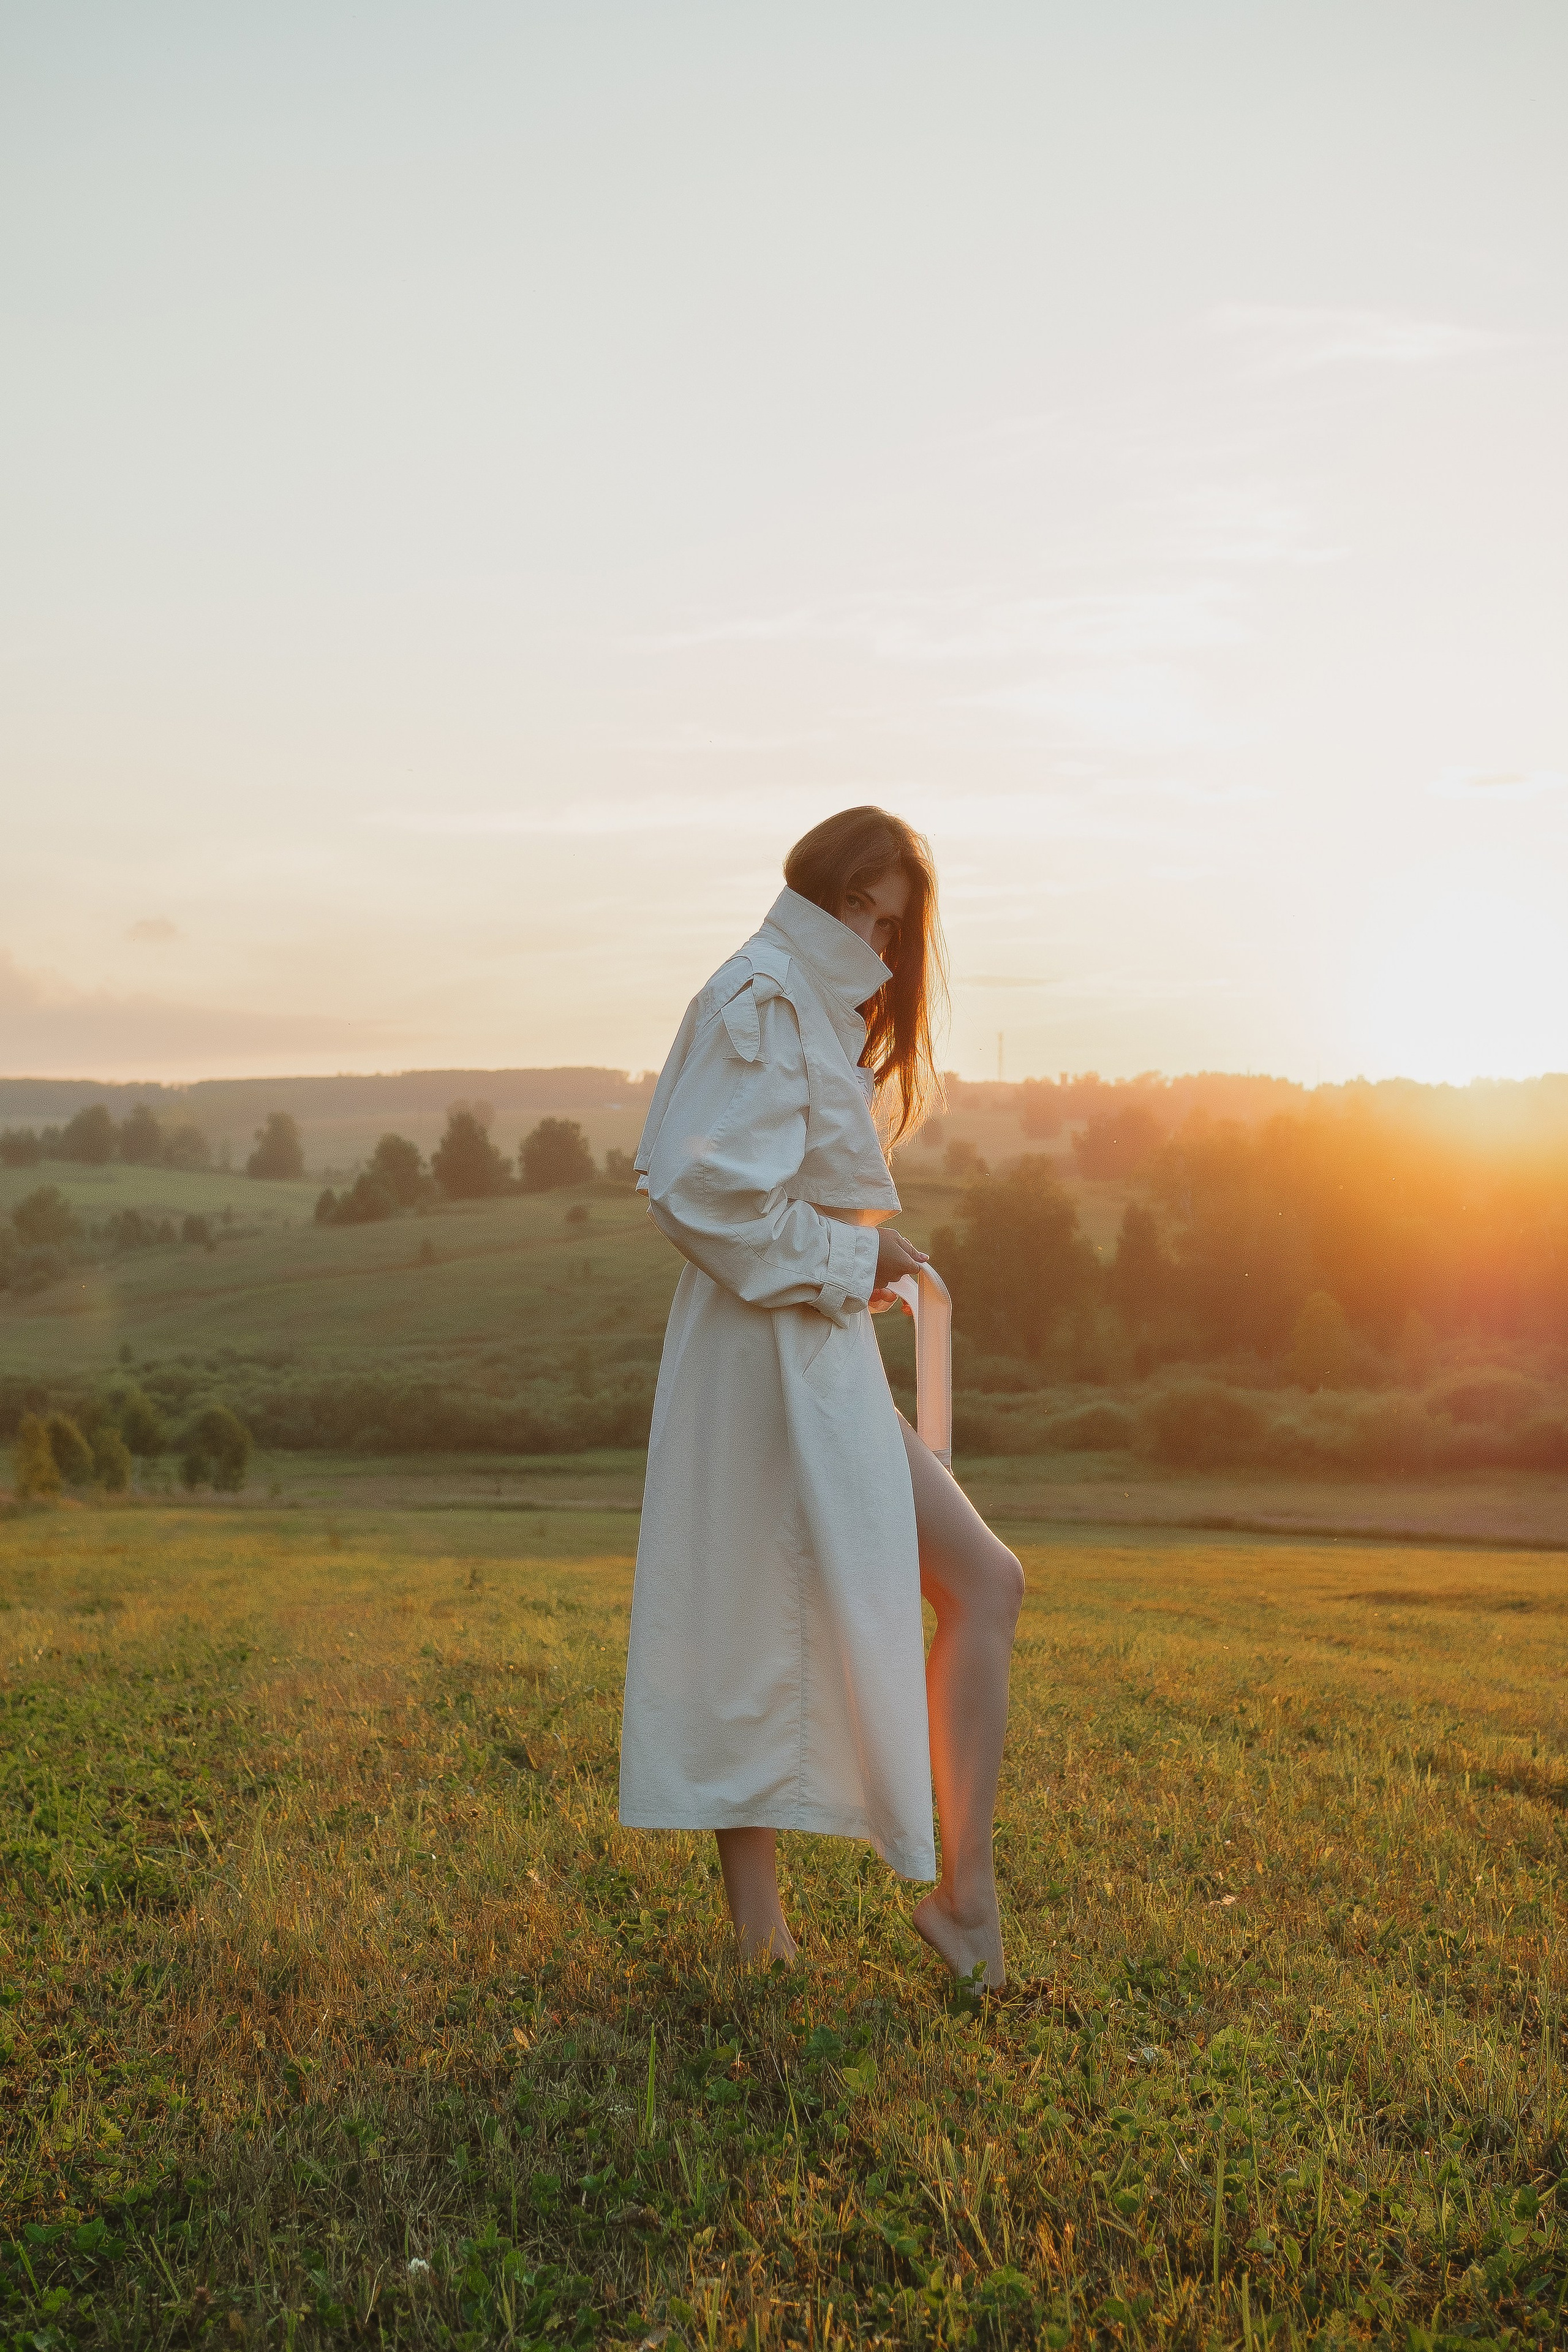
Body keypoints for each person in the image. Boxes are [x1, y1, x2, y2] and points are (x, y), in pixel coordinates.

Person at [618, 807, 1023, 1985]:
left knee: (983, 1583)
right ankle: (767, 1943)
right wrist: (861, 1258)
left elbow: (764, 1193)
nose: (879, 944)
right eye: (862, 908)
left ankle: (965, 1900)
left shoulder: (800, 997)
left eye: (895, 927)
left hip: (813, 1347)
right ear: (815, 888)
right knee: (750, 1619)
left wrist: (865, 1257)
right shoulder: (760, 995)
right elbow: (698, 1197)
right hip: (761, 1357)